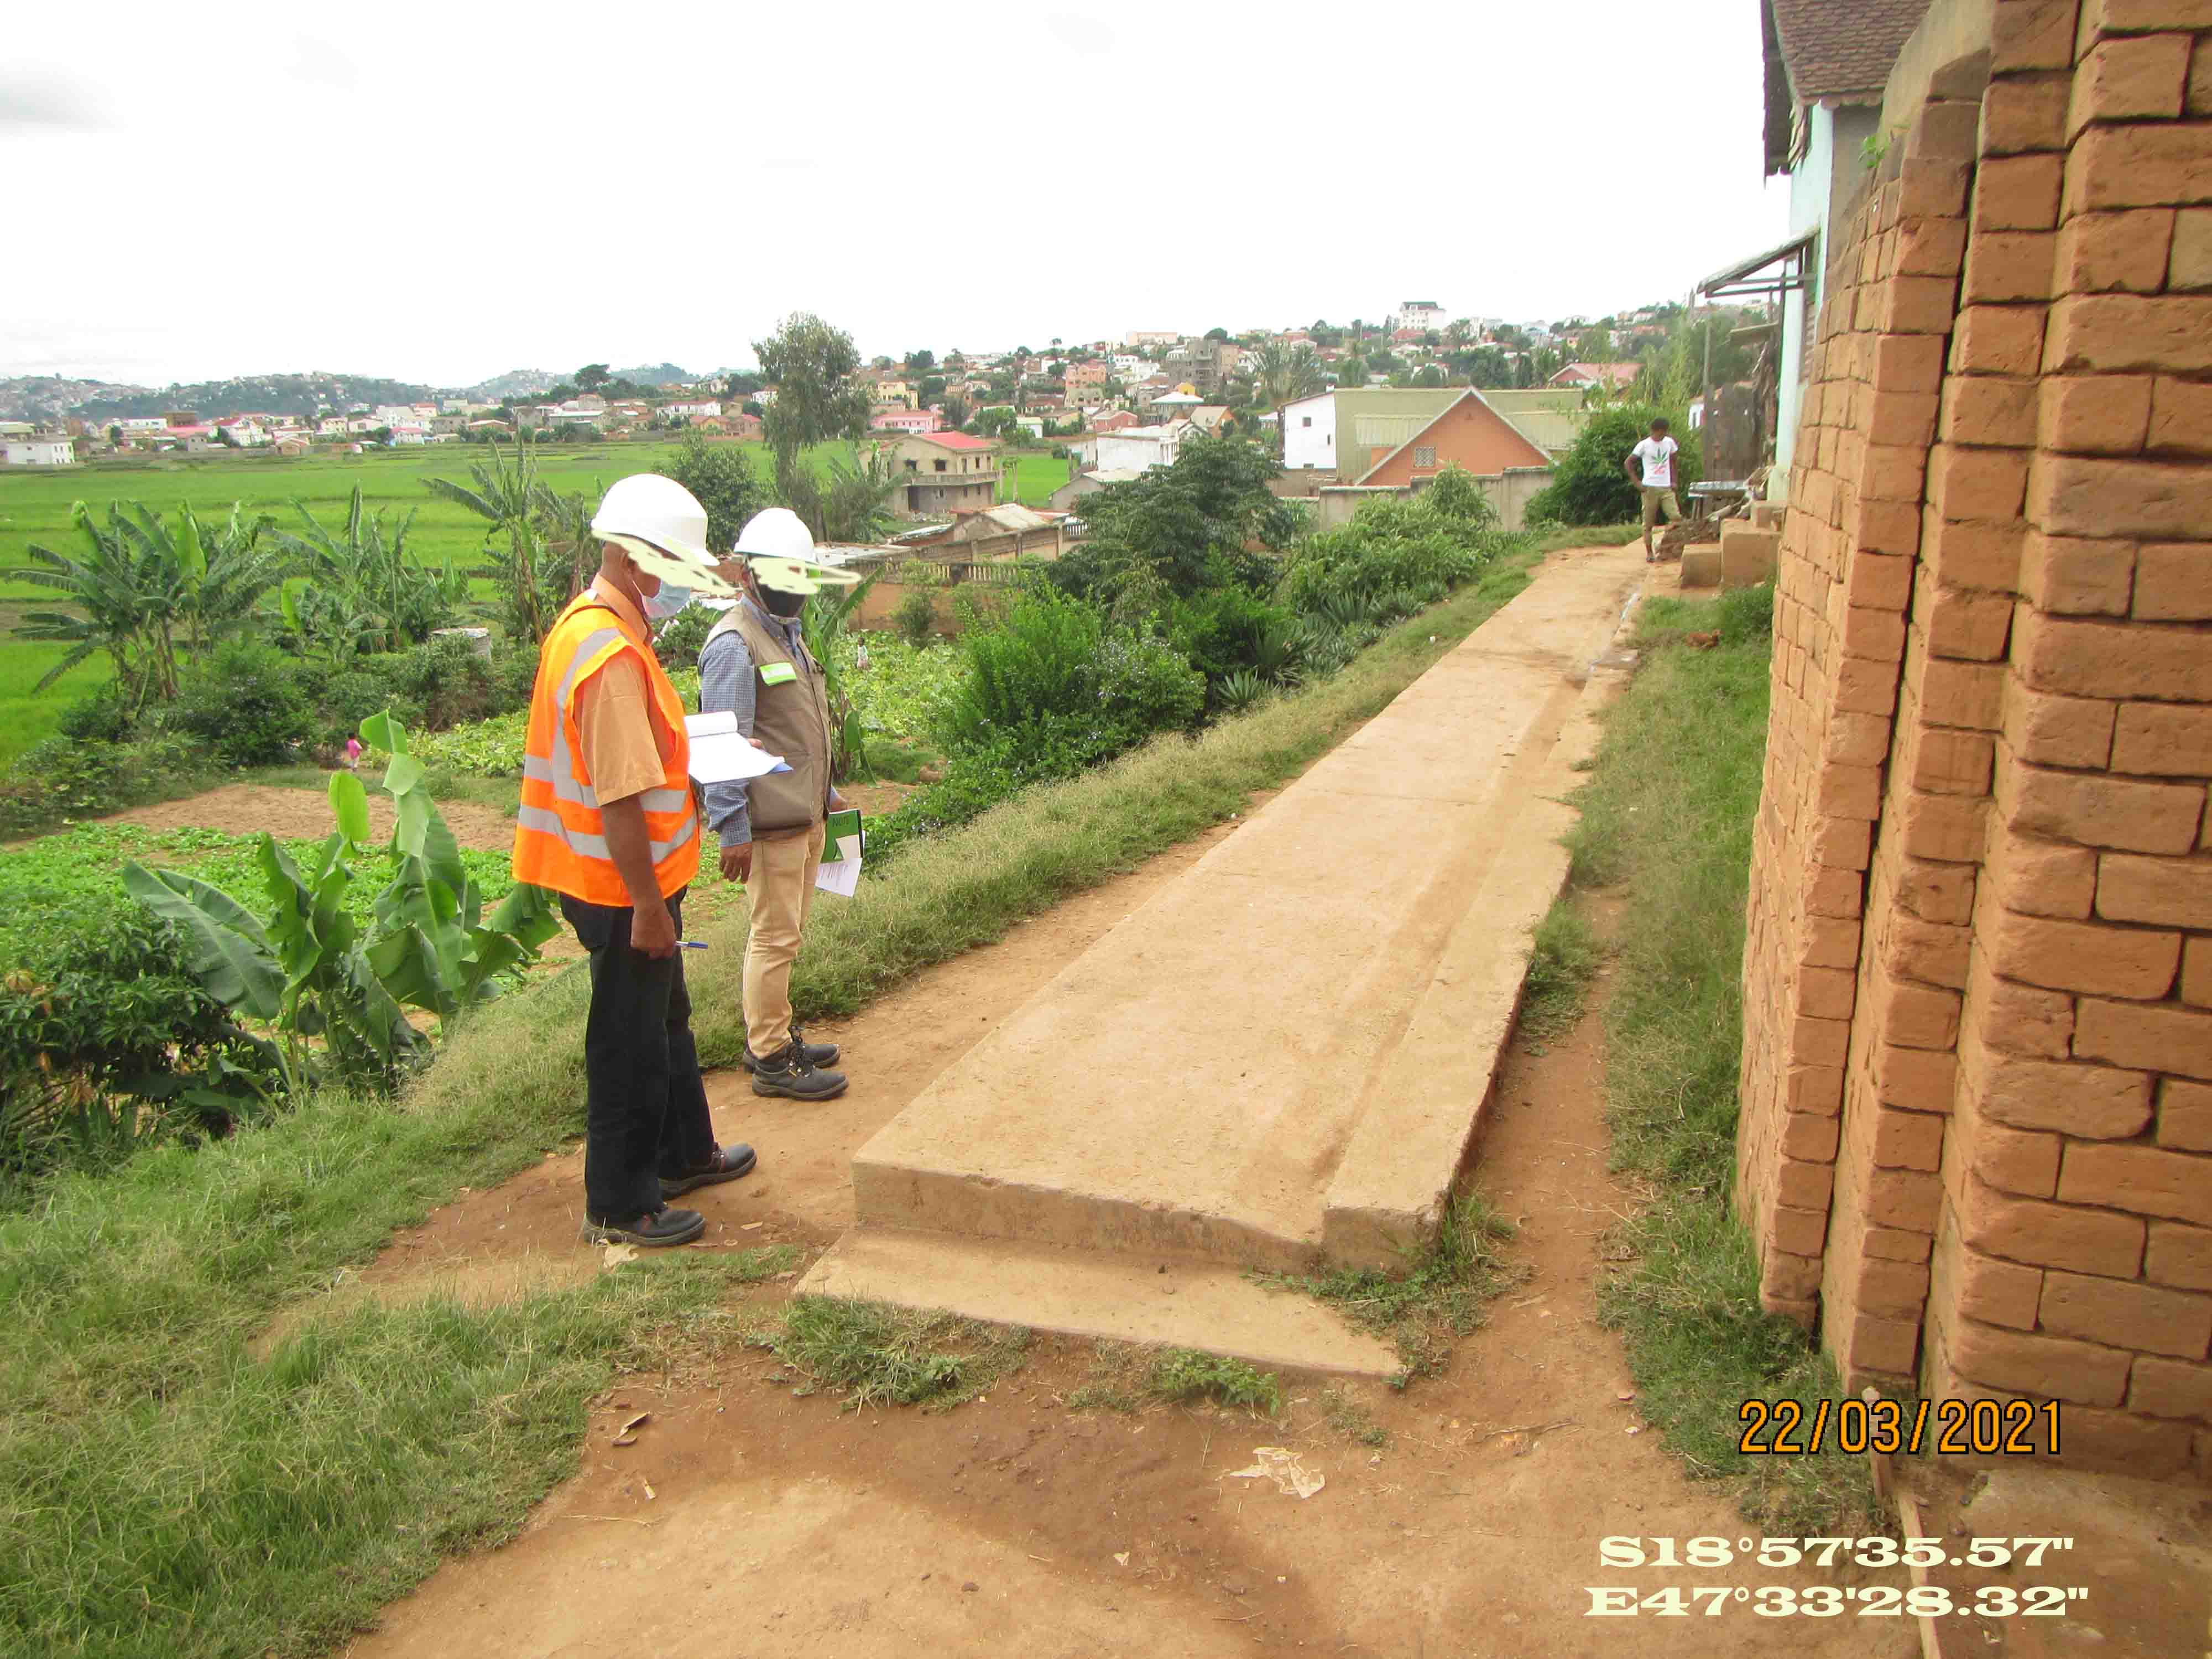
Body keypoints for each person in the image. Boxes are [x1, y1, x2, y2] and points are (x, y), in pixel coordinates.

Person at [513, 473, 758, 1248]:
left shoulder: (597, 627)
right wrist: (648, 907)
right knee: (628, 1038)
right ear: (634, 563)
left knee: (666, 1017)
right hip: (622, 888)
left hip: (636, 881)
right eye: (677, 575)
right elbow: (620, 798)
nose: (682, 591)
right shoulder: (608, 655)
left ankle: (685, 1152)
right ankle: (620, 1203)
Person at [698, 508, 859, 1102]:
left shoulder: (786, 635)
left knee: (787, 936)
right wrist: (731, 828)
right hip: (768, 825)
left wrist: (827, 797)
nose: (792, 591)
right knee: (772, 938)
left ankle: (776, 1032)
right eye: (780, 578)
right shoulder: (734, 646)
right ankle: (769, 1056)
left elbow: (799, 727)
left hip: (805, 813)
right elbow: (723, 745)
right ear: (747, 575)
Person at [1624, 417, 1682, 563]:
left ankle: (1666, 545)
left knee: (1676, 518)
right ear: (1654, 431)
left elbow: (1674, 461)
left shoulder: (1669, 443)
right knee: (1648, 523)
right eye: (1660, 433)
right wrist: (1637, 482)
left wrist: (1674, 480)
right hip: (1649, 488)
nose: (1662, 436)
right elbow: (1628, 463)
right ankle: (1650, 553)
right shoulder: (1644, 445)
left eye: (1664, 433)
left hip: (1666, 488)